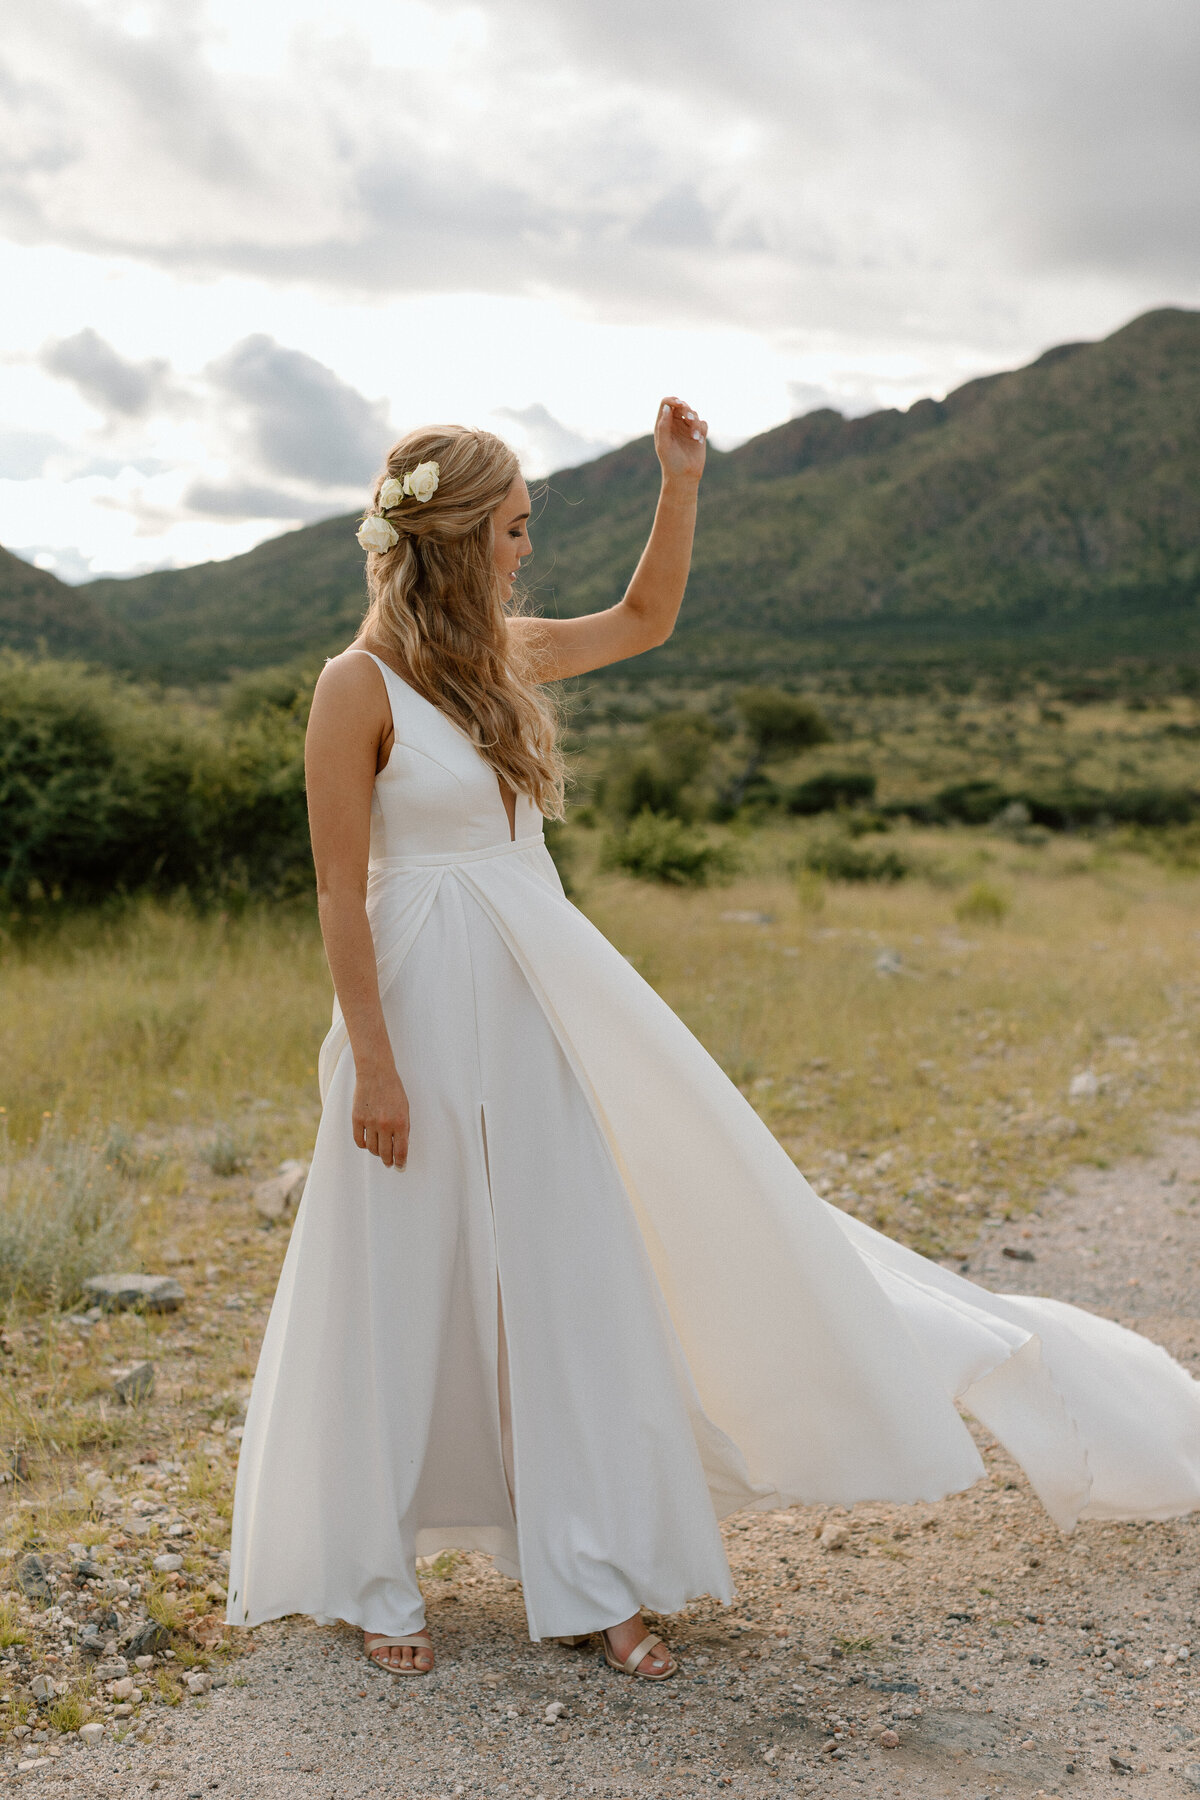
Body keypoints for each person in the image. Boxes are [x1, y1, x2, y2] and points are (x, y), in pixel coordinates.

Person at [226, 398, 1200, 1683]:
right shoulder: (355, 688)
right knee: (398, 1279)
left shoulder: (501, 658)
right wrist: (380, 1066)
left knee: (571, 1272)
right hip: (408, 1010)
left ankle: (602, 1568)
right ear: (457, 536)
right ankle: (375, 1572)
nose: (526, 551)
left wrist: (679, 483)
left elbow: (644, 623)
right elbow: (338, 890)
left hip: (542, 999)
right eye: (514, 530)